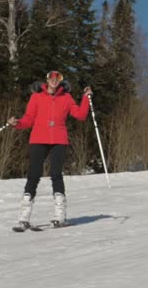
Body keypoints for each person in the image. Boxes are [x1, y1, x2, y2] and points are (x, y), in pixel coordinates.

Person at [7, 70, 92, 230]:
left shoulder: (66, 97)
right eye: (52, 78)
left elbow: (80, 115)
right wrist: (17, 123)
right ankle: (24, 217)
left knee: (56, 174)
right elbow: (28, 119)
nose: (54, 80)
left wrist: (86, 98)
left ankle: (60, 216)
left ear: (60, 81)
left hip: (59, 140)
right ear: (47, 80)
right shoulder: (36, 96)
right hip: (38, 138)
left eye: (58, 78)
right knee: (33, 175)